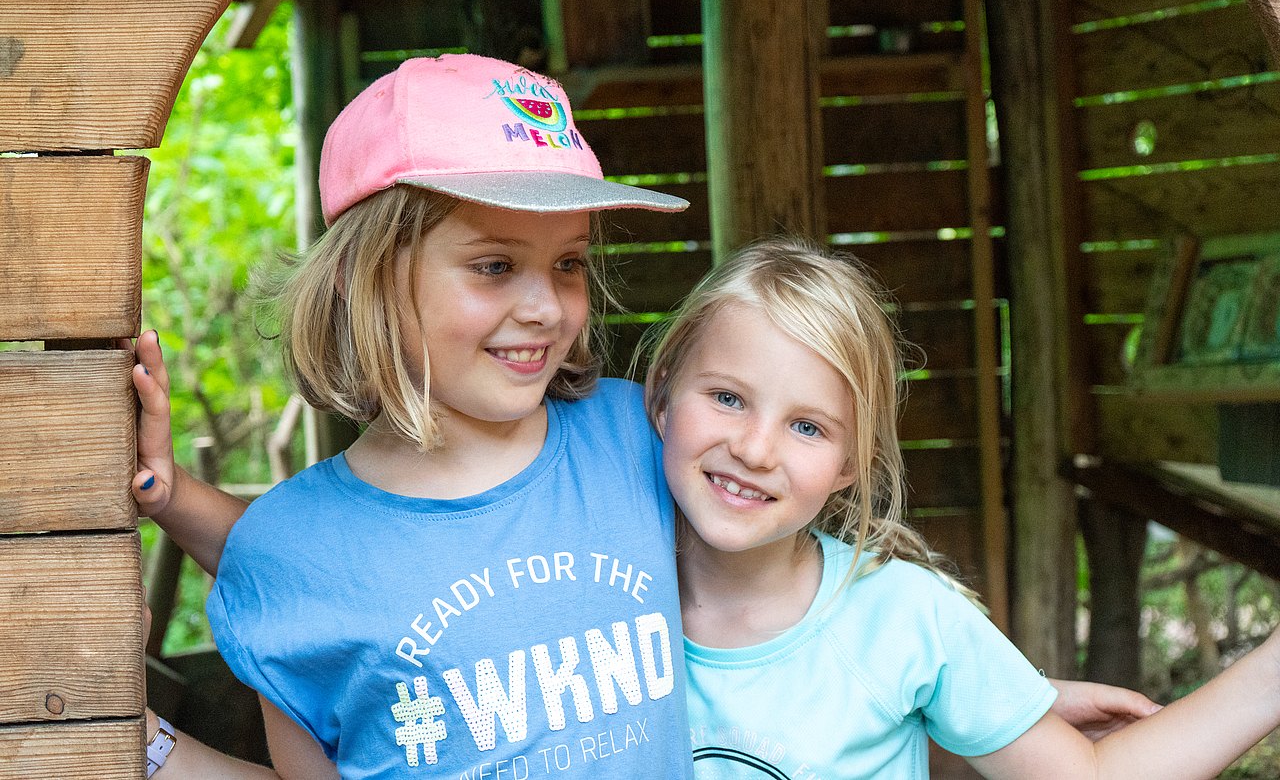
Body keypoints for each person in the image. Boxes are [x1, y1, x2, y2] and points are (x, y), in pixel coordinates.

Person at [131, 52, 697, 779]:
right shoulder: (289, 552)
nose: (546, 308)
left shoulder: (640, 437)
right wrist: (132, 734)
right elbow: (342, 561)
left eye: (568, 263)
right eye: (495, 265)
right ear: (362, 276)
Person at [640, 238, 1280, 778]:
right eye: (727, 398)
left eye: (807, 427)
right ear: (662, 394)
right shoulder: (596, 592)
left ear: (851, 464)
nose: (754, 449)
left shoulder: (902, 619)